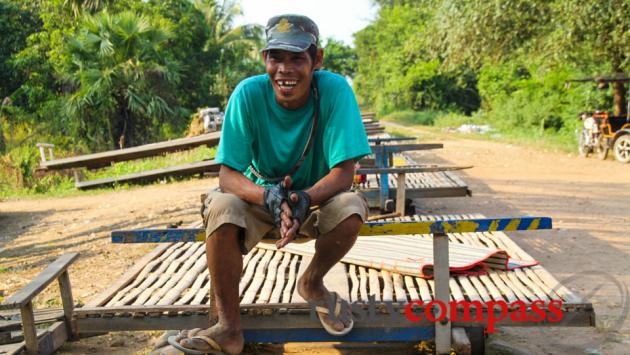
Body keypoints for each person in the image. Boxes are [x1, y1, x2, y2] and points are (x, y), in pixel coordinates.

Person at [169, 14, 371, 354]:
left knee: (352, 207)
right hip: (258, 199)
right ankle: (229, 327)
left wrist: (303, 198)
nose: (285, 69)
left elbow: (343, 173)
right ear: (265, 59)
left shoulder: (335, 90)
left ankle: (312, 281)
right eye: (276, 57)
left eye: (297, 58)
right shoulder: (248, 94)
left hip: (314, 200)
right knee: (221, 205)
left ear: (317, 60)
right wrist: (269, 196)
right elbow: (228, 176)